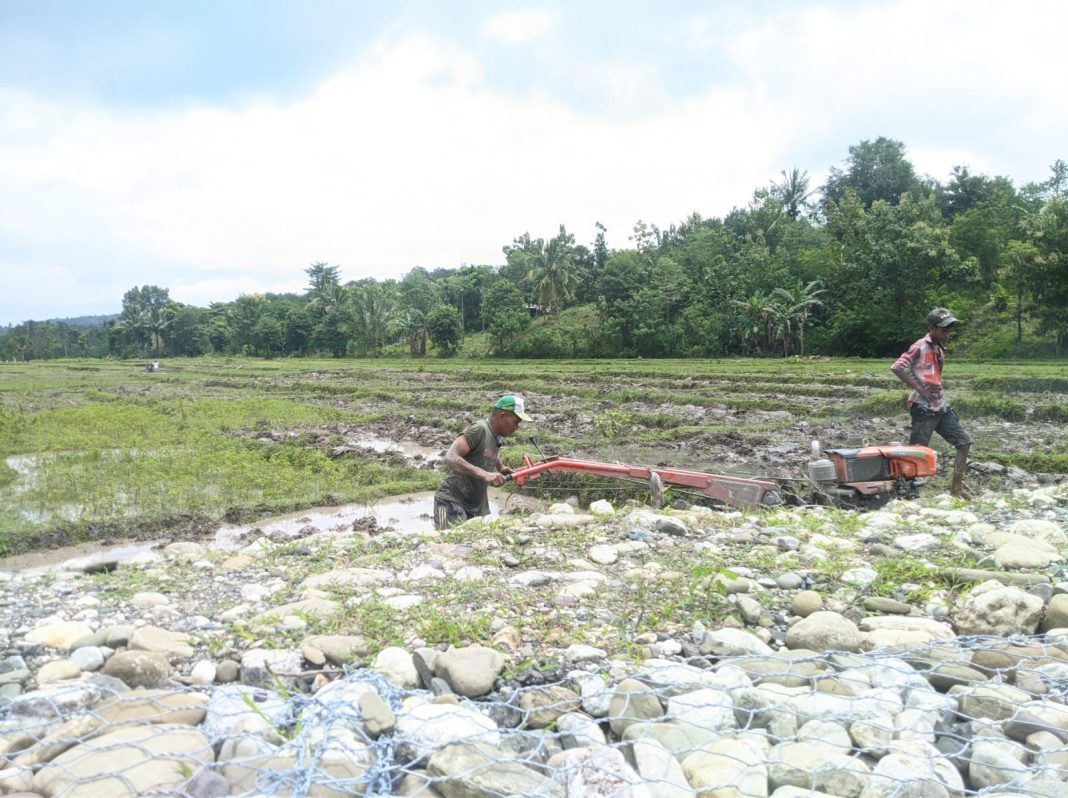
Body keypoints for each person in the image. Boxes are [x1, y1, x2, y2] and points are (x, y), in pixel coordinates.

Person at [891, 307, 972, 497]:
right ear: (933, 328)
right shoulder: (920, 346)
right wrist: (919, 389)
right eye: (944, 330)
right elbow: (897, 367)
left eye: (949, 330)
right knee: (916, 453)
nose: (947, 333)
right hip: (923, 407)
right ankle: (906, 493)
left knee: (964, 442)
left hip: (938, 405)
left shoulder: (939, 347)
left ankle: (956, 490)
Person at [433, 395, 531, 530]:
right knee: (445, 542)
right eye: (516, 422)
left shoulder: (496, 436)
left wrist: (500, 467)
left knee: (467, 545)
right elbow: (450, 456)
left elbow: (489, 451)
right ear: (502, 416)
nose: (517, 427)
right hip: (447, 502)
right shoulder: (479, 429)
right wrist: (484, 474)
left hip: (473, 506)